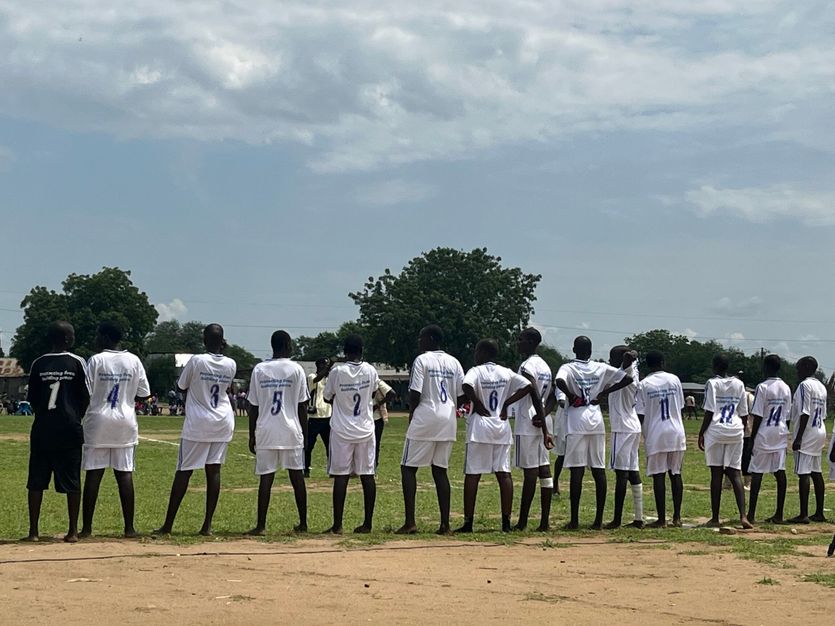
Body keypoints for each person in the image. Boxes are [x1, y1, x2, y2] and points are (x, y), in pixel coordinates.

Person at [154, 324, 236, 536]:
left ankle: (168, 525)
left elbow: (181, 386)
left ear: (205, 339)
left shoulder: (197, 360)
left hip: (199, 422)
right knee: (214, 470)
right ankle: (207, 526)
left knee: (184, 470)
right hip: (222, 420)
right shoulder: (231, 363)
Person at [457, 339, 543, 533]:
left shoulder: (476, 371)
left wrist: (477, 404)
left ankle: (468, 522)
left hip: (480, 426)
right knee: (503, 474)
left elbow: (466, 386)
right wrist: (506, 403)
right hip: (501, 425)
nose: (475, 354)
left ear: (482, 352)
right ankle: (505, 523)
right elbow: (529, 386)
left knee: (473, 474)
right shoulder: (506, 372)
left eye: (477, 350)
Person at [554, 336, 635, 530]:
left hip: (576, 419)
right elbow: (628, 378)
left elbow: (558, 381)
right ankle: (598, 520)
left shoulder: (568, 367)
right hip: (596, 419)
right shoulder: (600, 367)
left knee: (577, 469)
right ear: (590, 351)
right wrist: (604, 393)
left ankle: (574, 520)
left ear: (574, 349)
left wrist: (572, 395)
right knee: (598, 469)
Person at [79, 321, 151, 539]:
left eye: (98, 335)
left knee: (94, 474)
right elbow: (144, 393)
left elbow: (86, 391)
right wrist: (126, 397)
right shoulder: (134, 360)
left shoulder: (96, 360)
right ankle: (129, 528)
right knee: (124, 474)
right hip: (125, 421)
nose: (95, 339)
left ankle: (87, 529)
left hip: (98, 420)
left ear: (106, 337)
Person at [24, 321, 90, 542]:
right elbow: (85, 396)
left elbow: (32, 398)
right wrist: (74, 416)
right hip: (69, 428)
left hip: (43, 427)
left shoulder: (38, 364)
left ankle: (34, 531)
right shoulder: (77, 362)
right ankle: (72, 531)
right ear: (67, 339)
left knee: (36, 480)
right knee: (72, 479)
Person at [397, 325, 465, 535]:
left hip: (426, 416)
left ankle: (410, 522)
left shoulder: (422, 360)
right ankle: (445, 525)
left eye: (421, 337)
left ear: (431, 339)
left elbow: (415, 392)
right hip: (448, 418)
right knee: (440, 470)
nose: (419, 341)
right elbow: (462, 395)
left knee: (408, 468)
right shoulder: (454, 362)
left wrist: (411, 414)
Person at [322, 335, 390, 534]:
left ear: (345, 351)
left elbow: (327, 398)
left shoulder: (337, 372)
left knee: (341, 476)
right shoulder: (370, 370)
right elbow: (374, 392)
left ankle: (337, 525)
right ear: (362, 350)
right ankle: (367, 523)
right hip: (365, 429)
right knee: (367, 475)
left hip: (342, 430)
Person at [246, 330, 309, 535]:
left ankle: (261, 525)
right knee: (296, 476)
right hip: (291, 428)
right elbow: (302, 405)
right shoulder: (296, 369)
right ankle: (303, 523)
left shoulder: (260, 369)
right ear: (288, 345)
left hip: (266, 429)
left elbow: (253, 406)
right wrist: (305, 433)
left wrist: (252, 434)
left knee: (266, 478)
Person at [698, 353, 752, 529]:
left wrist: (701, 432)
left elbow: (709, 411)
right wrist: (743, 431)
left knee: (716, 473)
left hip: (716, 429)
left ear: (714, 366)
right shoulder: (739, 383)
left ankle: (715, 517)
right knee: (735, 473)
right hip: (735, 429)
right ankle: (743, 516)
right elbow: (744, 413)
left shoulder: (712, 383)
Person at [509, 328, 555, 532]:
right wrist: (545, 415)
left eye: (520, 339)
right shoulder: (545, 365)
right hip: (542, 417)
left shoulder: (527, 366)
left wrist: (542, 424)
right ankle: (544, 521)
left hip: (530, 420)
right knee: (544, 469)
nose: (517, 343)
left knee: (530, 472)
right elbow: (553, 394)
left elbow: (533, 392)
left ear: (530, 341)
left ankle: (523, 521)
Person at [636, 351, 686, 528]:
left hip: (656, 434)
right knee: (676, 474)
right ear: (663, 362)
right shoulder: (674, 380)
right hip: (676, 431)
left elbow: (640, 414)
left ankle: (662, 519)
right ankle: (677, 517)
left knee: (659, 476)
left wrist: (640, 436)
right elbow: (680, 405)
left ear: (646, 364)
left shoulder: (643, 384)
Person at [746, 355, 791, 524]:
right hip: (780, 431)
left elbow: (757, 415)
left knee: (757, 472)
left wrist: (752, 438)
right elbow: (787, 416)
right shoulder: (786, 387)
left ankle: (751, 514)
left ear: (767, 367)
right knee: (780, 472)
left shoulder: (762, 387)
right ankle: (779, 513)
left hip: (764, 432)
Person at [604, 345, 644, 530]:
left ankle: (617, 519)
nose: (609, 362)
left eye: (612, 358)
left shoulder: (626, 370)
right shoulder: (630, 372)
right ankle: (639, 517)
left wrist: (630, 356)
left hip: (622, 427)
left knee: (621, 473)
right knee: (632, 471)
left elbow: (629, 355)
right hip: (633, 425)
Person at [788, 356, 828, 524]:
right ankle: (819, 512)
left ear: (806, 367)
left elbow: (804, 412)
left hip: (808, 432)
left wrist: (798, 437)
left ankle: (803, 514)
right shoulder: (822, 387)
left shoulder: (804, 386)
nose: (797, 371)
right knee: (816, 472)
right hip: (819, 430)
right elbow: (824, 414)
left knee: (803, 472)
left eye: (799, 368)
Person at [305, 358, 332, 477]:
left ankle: (332, 469)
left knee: (330, 446)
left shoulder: (329, 379)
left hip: (328, 416)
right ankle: (306, 468)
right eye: (325, 365)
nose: (327, 368)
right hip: (314, 417)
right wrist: (329, 366)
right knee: (309, 446)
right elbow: (317, 379)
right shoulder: (312, 377)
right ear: (319, 366)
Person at [372, 378, 395, 469]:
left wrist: (377, 405)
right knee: (375, 444)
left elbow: (392, 393)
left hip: (374, 417)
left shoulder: (376, 381)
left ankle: (371, 467)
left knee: (372, 444)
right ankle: (372, 467)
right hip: (374, 418)